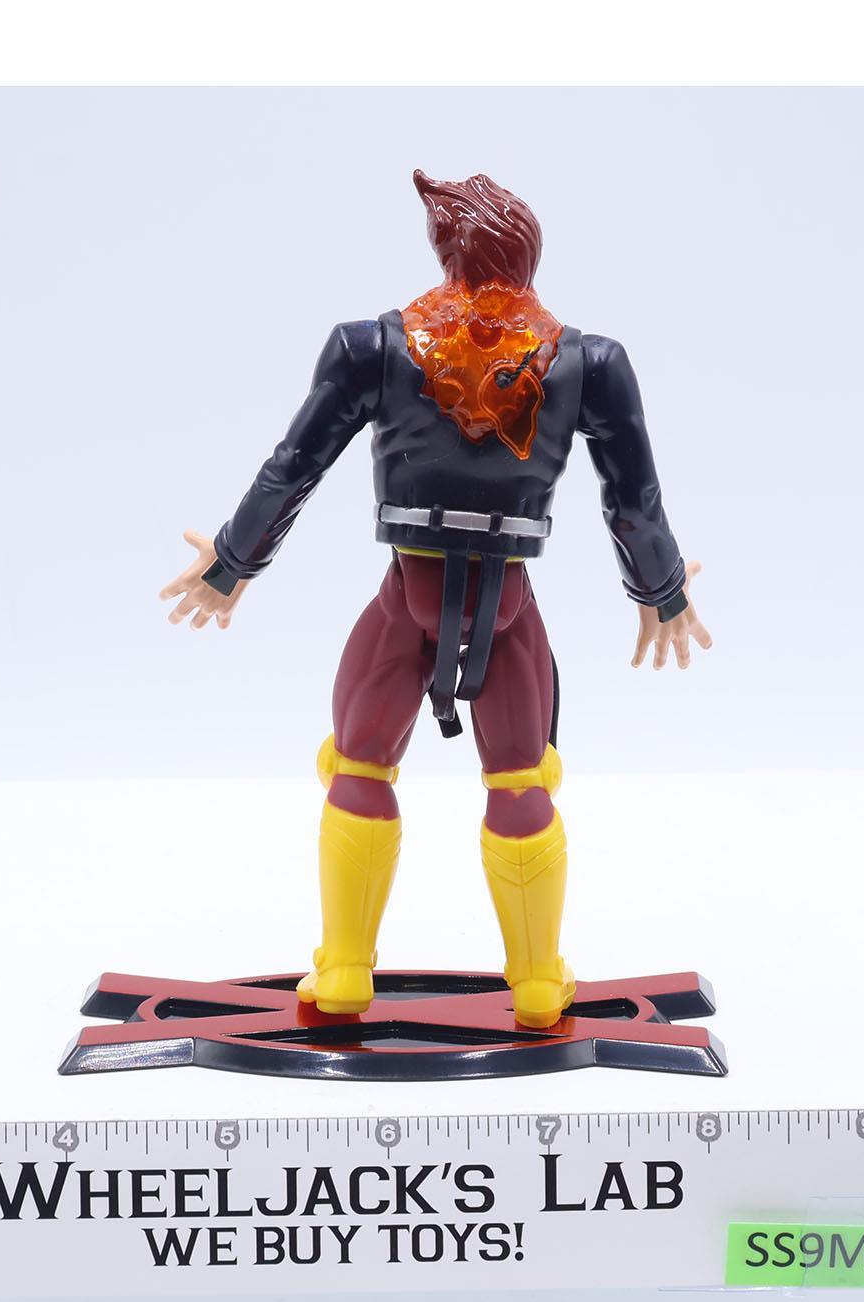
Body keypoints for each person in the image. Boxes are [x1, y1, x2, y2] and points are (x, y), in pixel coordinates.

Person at [160, 170, 711, 1029]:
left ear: (444, 250)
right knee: (521, 783)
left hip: (404, 596)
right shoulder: (589, 363)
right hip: (509, 604)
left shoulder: (374, 347)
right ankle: (537, 983)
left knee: (357, 768)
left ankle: (346, 971)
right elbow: (633, 499)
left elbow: (294, 467)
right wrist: (661, 591)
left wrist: (232, 565)